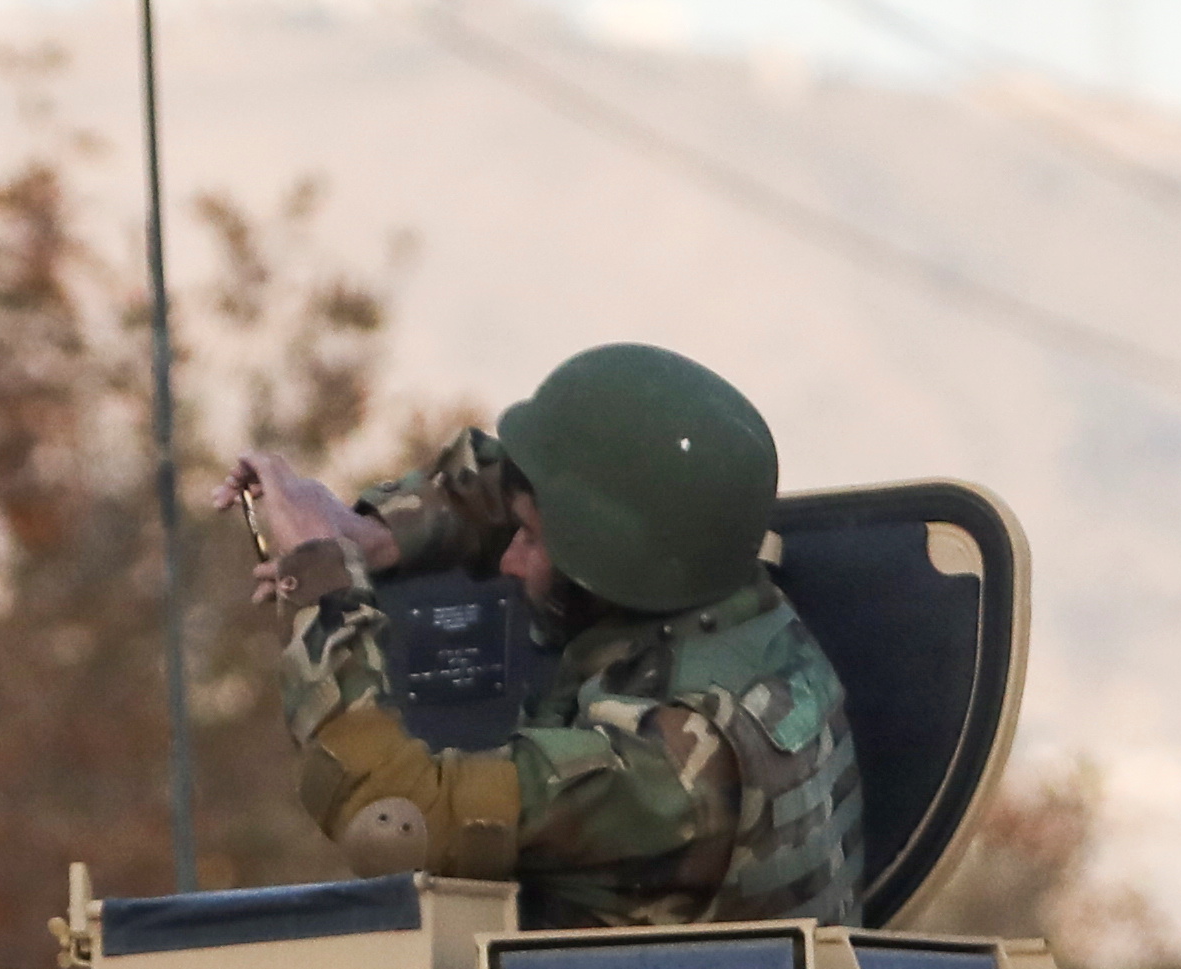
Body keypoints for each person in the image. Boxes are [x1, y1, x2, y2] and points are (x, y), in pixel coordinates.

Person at [228, 344, 857, 930]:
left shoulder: (673, 769)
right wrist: (378, 532)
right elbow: (528, 486)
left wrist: (316, 578)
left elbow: (391, 819)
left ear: (609, 565)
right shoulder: (716, 581)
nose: (509, 560)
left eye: (531, 541)